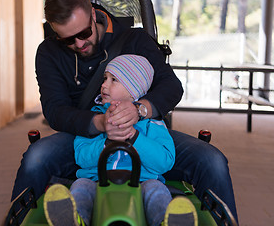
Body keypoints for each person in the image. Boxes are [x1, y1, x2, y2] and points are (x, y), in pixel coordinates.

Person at [11, 0, 238, 223]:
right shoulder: (48, 53)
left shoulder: (134, 39)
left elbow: (171, 86)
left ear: (92, 13)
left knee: (212, 161)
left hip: (144, 129)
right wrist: (98, 123)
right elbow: (55, 110)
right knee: (35, 158)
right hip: (86, 133)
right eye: (68, 39)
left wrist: (140, 109)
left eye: (84, 32)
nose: (79, 44)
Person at [43, 54, 198, 226]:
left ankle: (165, 221)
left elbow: (164, 162)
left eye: (113, 79)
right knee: (80, 186)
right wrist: (107, 142)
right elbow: (81, 157)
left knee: (157, 190)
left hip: (141, 181)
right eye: (105, 78)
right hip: (97, 180)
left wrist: (134, 137)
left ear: (134, 90)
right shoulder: (94, 119)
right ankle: (74, 220)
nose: (103, 85)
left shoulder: (152, 124)